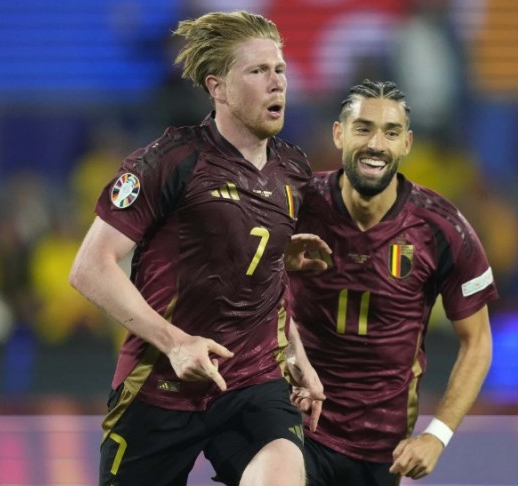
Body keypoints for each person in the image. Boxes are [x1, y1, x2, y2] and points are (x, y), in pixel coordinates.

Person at [69, 10, 328, 486]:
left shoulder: (294, 169)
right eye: (257, 71)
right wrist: (176, 343)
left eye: (280, 70)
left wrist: (296, 354)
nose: (277, 83)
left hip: (252, 381)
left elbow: (271, 276)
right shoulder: (170, 161)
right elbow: (90, 267)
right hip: (162, 384)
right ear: (218, 88)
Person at [287, 79, 497, 485]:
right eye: (363, 128)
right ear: (339, 133)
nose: (376, 144)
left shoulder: (442, 228)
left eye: (391, 132)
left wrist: (436, 437)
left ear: (407, 144)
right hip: (292, 426)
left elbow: (479, 341)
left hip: (381, 450)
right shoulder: (294, 206)